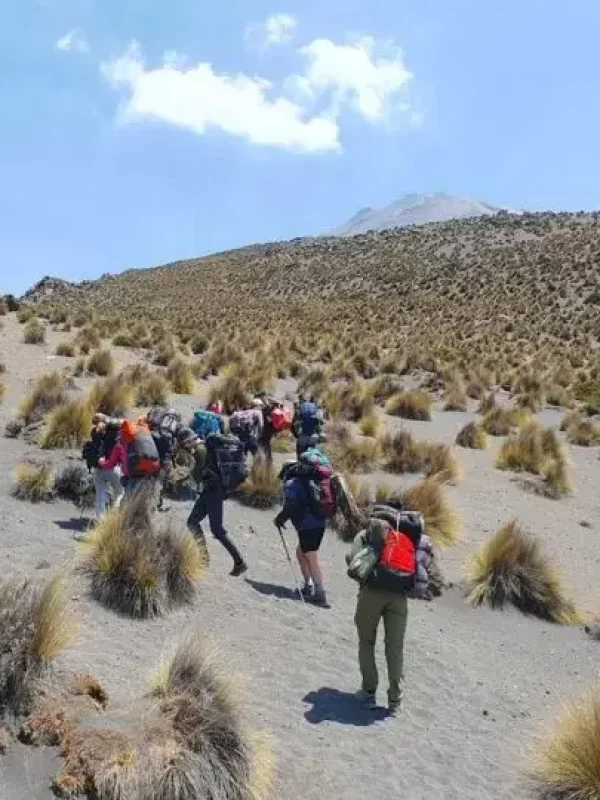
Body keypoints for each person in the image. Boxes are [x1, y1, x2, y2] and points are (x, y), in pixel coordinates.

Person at [346, 504, 423, 717]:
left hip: (372, 592)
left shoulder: (369, 532)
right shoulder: (408, 536)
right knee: (395, 648)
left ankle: (369, 692)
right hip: (399, 597)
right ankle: (394, 700)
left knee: (367, 641)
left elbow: (351, 557)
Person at [179, 427, 248, 577]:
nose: (185, 448)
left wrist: (181, 479)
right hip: (211, 491)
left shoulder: (199, 450)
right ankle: (204, 558)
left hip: (213, 492)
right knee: (193, 522)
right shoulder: (205, 446)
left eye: (184, 445)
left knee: (216, 529)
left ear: (188, 441)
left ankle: (239, 561)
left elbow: (197, 475)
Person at [274, 460, 330, 608]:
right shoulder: (311, 481)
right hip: (320, 524)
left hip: (307, 526)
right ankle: (308, 585)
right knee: (301, 553)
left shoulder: (292, 484)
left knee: (311, 557)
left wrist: (279, 519)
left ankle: (320, 593)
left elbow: (291, 505)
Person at [99, 419, 160, 498]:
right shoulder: (144, 437)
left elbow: (110, 464)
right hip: (151, 468)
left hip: (133, 472)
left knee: (127, 499)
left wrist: (101, 462)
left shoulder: (119, 445)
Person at [84, 414, 124, 518]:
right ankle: (115, 517)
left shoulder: (94, 432)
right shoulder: (116, 434)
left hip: (98, 468)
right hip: (113, 468)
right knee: (120, 493)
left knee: (100, 495)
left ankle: (100, 520)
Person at [292, 395, 324, 460]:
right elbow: (320, 423)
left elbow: (293, 423)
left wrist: (296, 435)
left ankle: (300, 468)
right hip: (313, 437)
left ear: (301, 400)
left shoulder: (300, 408)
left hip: (302, 437)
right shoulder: (315, 408)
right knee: (311, 456)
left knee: (300, 457)